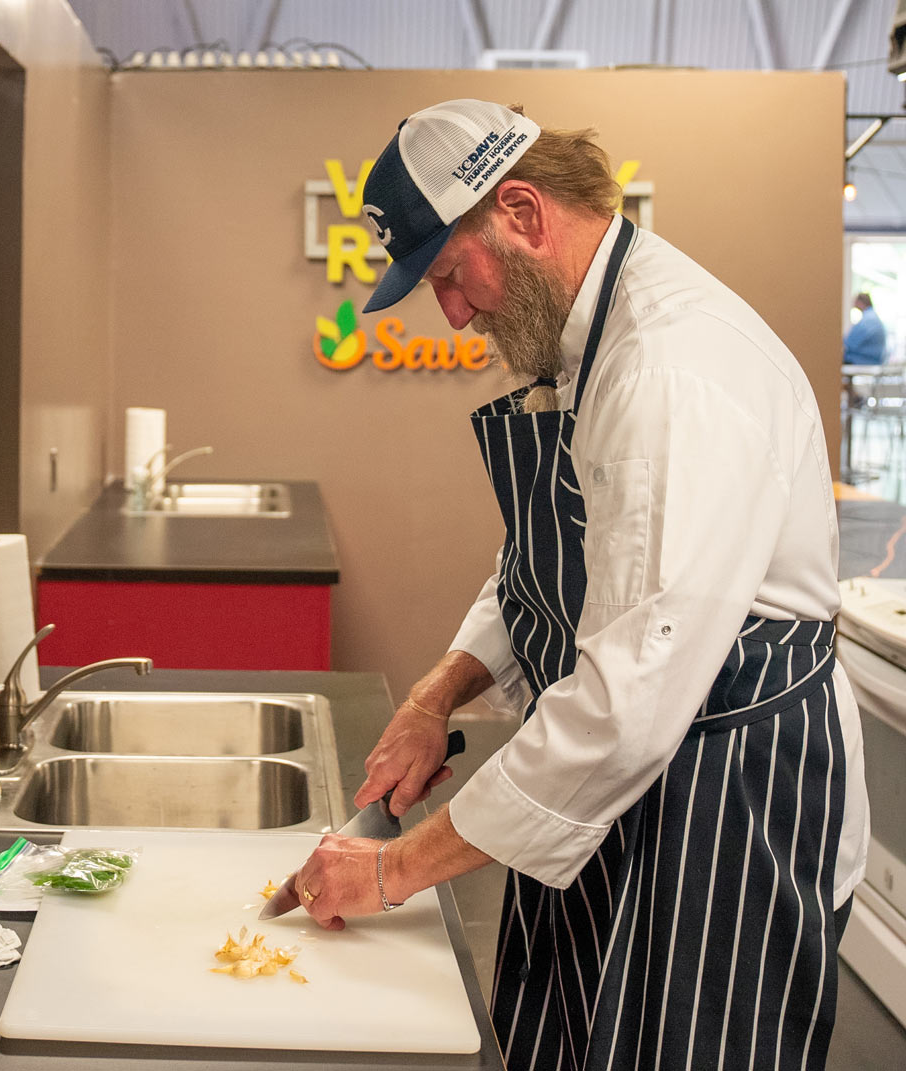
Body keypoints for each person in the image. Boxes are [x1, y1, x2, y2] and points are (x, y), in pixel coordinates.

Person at [290, 99, 869, 1071]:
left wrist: (391, 869)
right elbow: (543, 563)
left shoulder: (667, 372)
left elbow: (623, 707)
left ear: (520, 212)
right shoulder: (584, 340)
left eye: (450, 274)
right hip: (635, 773)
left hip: (727, 793)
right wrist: (435, 696)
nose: (454, 313)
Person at [843, 291, 887, 365]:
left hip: (863, 361)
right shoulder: (873, 317)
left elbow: (850, 343)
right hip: (874, 360)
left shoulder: (867, 320)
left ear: (860, 302)